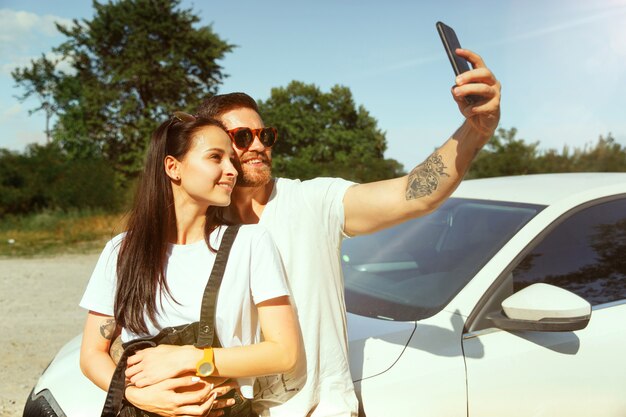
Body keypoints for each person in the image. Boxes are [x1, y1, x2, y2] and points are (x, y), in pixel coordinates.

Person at [128, 48, 501, 417]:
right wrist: (134, 392)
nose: (258, 146)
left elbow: (414, 194)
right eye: (242, 137)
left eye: (265, 135)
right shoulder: (198, 231)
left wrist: (474, 130)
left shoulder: (312, 202)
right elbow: (137, 333)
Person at [79, 114, 301, 416]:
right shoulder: (122, 251)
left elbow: (284, 352)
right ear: (173, 167)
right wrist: (134, 396)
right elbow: (92, 354)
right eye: (215, 157)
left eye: (231, 160)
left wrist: (189, 358)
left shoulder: (250, 242)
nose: (231, 170)